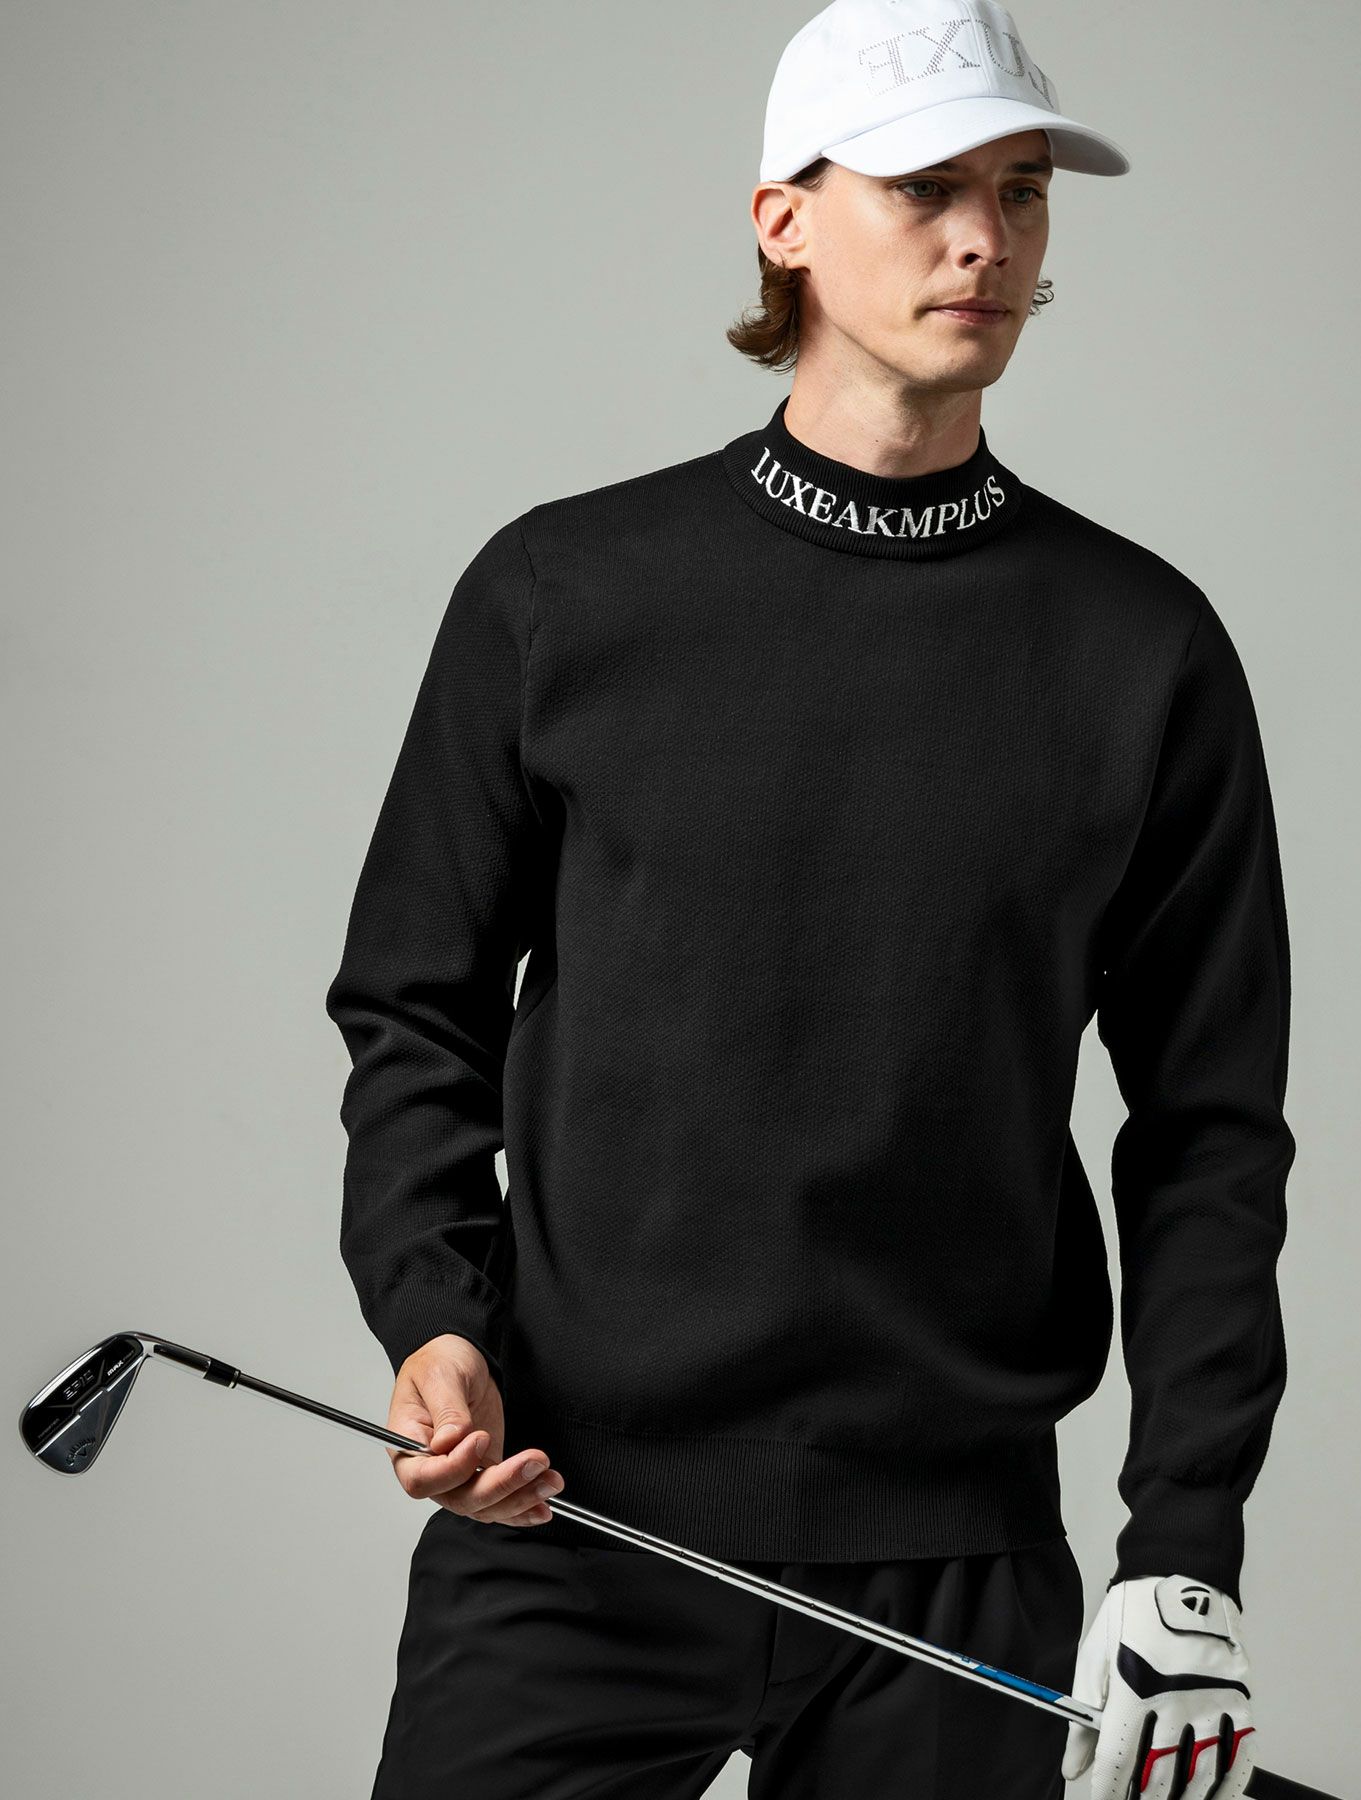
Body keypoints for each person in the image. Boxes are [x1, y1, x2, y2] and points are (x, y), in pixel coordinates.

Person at [324, 2, 1292, 1794]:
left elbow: (1211, 1129)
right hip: (571, 1516)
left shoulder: (1142, 648)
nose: (984, 238)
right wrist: (435, 1317)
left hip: (959, 1559)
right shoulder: (560, 595)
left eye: (1020, 191)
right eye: (925, 187)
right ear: (782, 218)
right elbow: (414, 1008)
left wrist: (1186, 1549)